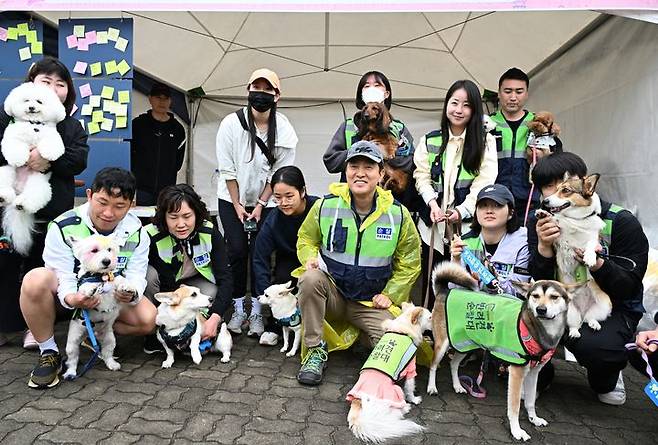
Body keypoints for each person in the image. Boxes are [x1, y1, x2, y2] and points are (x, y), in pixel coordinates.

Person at [295, 140, 421, 386]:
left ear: (381, 173)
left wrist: (390, 294)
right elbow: (306, 238)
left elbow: (410, 261)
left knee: (396, 345)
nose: (360, 173)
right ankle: (313, 350)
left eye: (369, 167)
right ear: (346, 171)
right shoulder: (325, 206)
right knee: (309, 279)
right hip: (334, 296)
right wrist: (310, 257)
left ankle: (363, 339)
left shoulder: (398, 215)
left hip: (370, 304)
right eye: (354, 166)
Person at [528, 152, 649, 405]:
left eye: (561, 186)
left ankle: (608, 376)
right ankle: (542, 374)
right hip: (558, 300)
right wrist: (543, 248)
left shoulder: (621, 221)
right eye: (546, 187)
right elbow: (537, 278)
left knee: (600, 349)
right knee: (522, 325)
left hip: (608, 305)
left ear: (585, 183)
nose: (551, 195)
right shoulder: (542, 221)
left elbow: (629, 286)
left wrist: (599, 264)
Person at [19, 167, 156, 389]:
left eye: (119, 206)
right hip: (67, 295)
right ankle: (49, 352)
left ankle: (94, 335)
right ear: (90, 195)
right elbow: (61, 273)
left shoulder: (136, 229)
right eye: (102, 202)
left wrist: (131, 292)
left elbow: (137, 274)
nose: (109, 213)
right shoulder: (63, 225)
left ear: (132, 204)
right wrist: (72, 299)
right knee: (35, 280)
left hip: (108, 297)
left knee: (148, 320)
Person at [0, 56, 89, 349]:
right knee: (6, 266)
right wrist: (21, 156)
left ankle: (38, 328)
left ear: (68, 91)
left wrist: (48, 159)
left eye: (60, 83)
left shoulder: (72, 126)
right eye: (45, 81)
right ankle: (6, 325)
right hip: (8, 207)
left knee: (44, 268)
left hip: (52, 212)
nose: (53, 87)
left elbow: (78, 160)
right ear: (31, 83)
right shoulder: (7, 119)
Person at [216, 68, 298, 338]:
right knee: (237, 251)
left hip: (268, 200)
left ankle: (258, 313)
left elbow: (278, 175)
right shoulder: (230, 123)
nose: (260, 94)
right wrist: (239, 204)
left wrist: (262, 203)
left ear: (277, 95)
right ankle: (239, 308)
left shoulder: (284, 129)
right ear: (248, 90)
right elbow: (227, 169)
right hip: (231, 197)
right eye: (256, 88)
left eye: (267, 89)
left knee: (260, 255)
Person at [413, 79, 498, 308]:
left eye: (466, 105)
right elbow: (421, 175)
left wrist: (462, 211)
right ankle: (432, 332)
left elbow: (484, 181)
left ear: (475, 110)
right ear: (446, 105)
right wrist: (432, 203)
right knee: (433, 282)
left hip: (467, 229)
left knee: (465, 283)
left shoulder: (485, 141)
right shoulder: (430, 139)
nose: (459, 110)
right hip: (432, 228)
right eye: (454, 103)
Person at [142, 184, 233, 353]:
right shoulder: (149, 235)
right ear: (163, 217)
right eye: (173, 217)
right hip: (163, 288)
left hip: (193, 283)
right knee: (148, 276)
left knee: (211, 291)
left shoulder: (209, 231)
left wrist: (215, 318)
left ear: (197, 214)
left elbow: (226, 277)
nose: (181, 224)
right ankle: (155, 336)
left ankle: (194, 331)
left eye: (187, 216)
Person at [323, 71, 421, 211]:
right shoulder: (348, 127)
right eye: (366, 86)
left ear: (386, 93)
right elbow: (330, 161)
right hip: (352, 202)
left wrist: (386, 154)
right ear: (360, 94)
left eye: (377, 85)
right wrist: (360, 151)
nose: (372, 89)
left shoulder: (398, 128)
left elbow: (413, 162)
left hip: (390, 203)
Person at [252, 166, 318, 345]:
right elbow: (259, 259)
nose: (283, 202)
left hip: (318, 260)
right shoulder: (273, 220)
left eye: (289, 196)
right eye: (278, 197)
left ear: (303, 191)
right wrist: (267, 294)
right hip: (288, 261)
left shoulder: (319, 209)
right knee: (282, 279)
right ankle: (274, 326)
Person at [450, 184, 531, 296]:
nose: (489, 211)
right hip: (475, 308)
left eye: (497, 205)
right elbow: (454, 290)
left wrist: (489, 278)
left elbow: (519, 291)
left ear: (511, 213)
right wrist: (456, 261)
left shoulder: (524, 241)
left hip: (508, 310)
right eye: (483, 206)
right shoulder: (466, 242)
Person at [489, 68, 538, 216]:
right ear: (499, 93)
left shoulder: (538, 124)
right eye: (508, 91)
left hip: (529, 200)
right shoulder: (486, 124)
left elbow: (555, 163)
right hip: (494, 199)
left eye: (519, 91)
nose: (513, 97)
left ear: (527, 93)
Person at [130, 82, 186, 206]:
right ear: (150, 99)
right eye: (158, 98)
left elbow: (178, 162)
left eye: (165, 98)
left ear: (170, 101)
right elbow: (129, 155)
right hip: (140, 189)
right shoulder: (138, 125)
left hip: (167, 190)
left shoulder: (178, 129)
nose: (162, 102)